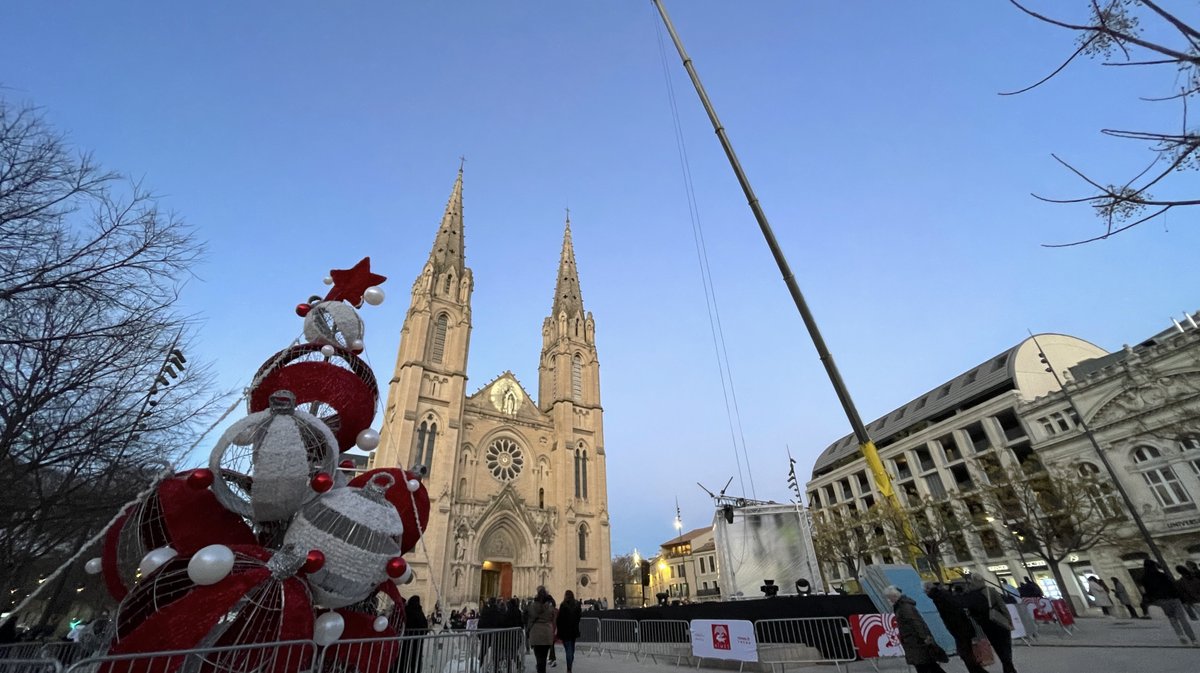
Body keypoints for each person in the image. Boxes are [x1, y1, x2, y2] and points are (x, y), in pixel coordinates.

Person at [925, 583, 988, 673]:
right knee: (965, 653)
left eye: (926, 591)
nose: (925, 593)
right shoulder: (942, 596)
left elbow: (953, 614)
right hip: (961, 628)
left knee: (965, 653)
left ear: (929, 590)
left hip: (959, 629)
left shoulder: (940, 598)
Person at [883, 586, 946, 673]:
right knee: (929, 666)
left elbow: (916, 622)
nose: (888, 600)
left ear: (894, 596)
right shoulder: (902, 606)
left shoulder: (904, 608)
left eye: (889, 598)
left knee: (925, 666)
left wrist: (925, 638)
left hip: (916, 642)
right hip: (915, 641)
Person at [963, 575, 1017, 673]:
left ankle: (1008, 667)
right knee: (1006, 647)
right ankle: (1009, 668)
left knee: (998, 648)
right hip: (999, 622)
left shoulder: (970, 594)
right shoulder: (991, 591)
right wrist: (1009, 621)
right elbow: (1002, 607)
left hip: (987, 625)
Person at [1138, 559, 1196, 645]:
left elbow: (1147, 592)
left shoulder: (1144, 579)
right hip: (1173, 598)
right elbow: (1172, 586)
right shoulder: (1162, 575)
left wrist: (1153, 600)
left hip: (1161, 600)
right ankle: (1193, 639)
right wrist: (1181, 599)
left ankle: (1180, 635)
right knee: (1182, 619)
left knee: (1172, 618)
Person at [527, 587, 556, 673]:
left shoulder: (532, 606)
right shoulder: (550, 608)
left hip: (535, 634)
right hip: (547, 634)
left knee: (538, 657)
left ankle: (540, 669)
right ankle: (542, 670)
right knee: (543, 657)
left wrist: (528, 630)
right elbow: (553, 619)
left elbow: (530, 619)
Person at [399, 596, 429, 673]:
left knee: (405, 656)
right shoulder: (419, 611)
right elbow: (425, 625)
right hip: (417, 639)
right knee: (415, 658)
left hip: (407, 638)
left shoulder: (407, 610)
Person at [556, 590, 583, 673]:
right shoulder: (577, 605)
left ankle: (569, 668)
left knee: (568, 649)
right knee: (571, 648)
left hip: (565, 630)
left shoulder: (563, 605)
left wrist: (559, 630)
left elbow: (559, 619)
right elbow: (579, 616)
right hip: (574, 630)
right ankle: (569, 666)